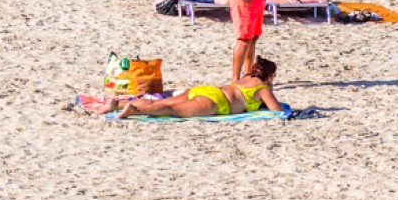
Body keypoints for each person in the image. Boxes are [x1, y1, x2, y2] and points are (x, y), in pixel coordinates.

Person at [114, 59, 286, 120]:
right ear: (269, 76)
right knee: (171, 110)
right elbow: (277, 110)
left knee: (162, 101)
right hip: (217, 101)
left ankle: (117, 104)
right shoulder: (263, 88)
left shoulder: (244, 78)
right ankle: (134, 110)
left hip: (205, 90)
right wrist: (269, 90)